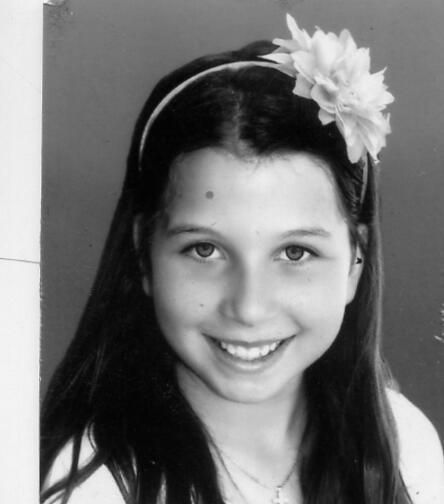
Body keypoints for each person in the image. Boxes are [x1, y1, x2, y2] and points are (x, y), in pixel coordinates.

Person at [40, 14, 444, 504]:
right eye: (204, 250)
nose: (249, 308)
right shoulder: (87, 485)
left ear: (355, 263)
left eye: (295, 252)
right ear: (144, 255)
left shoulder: (406, 445)